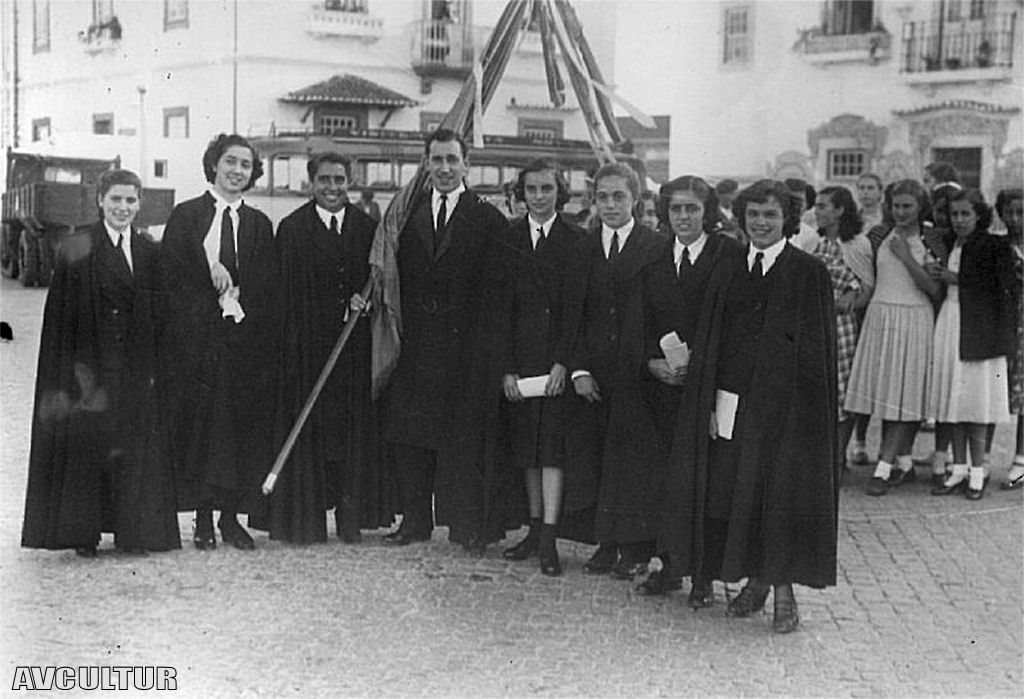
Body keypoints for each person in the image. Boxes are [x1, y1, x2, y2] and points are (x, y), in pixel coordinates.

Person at [659, 179, 838, 634]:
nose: (761, 223)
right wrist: (707, 402)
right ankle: (755, 582)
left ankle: (783, 594)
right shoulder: (729, 267)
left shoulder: (808, 272)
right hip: (731, 404)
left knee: (778, 499)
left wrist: (804, 417)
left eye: (771, 215)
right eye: (753, 214)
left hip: (785, 412)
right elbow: (712, 340)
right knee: (739, 496)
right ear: (741, 219)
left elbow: (816, 353)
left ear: (787, 220)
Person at [22, 169, 179, 556]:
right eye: (116, 200)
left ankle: (132, 532)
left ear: (139, 204)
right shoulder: (79, 246)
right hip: (91, 371)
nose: (123, 208)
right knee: (90, 448)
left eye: (130, 200)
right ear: (100, 201)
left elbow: (160, 315)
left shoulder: (148, 251)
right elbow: (62, 318)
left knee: (132, 449)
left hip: (135, 369)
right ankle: (84, 534)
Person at [249, 152, 390, 544]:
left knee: (351, 434)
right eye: (324, 179)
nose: (332, 187)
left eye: (339, 179)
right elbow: (283, 295)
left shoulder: (367, 229)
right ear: (311, 182)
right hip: (308, 351)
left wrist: (367, 302)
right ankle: (307, 520)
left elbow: (382, 286)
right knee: (311, 433)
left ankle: (350, 518)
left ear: (350, 181)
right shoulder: (292, 229)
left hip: (353, 353)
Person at [378, 128, 508, 550]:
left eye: (453, 159)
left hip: (464, 349)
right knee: (411, 437)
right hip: (416, 346)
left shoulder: (487, 217)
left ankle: (466, 525)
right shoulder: (406, 214)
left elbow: (495, 293)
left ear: (467, 164)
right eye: (437, 159)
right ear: (426, 164)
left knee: (461, 440)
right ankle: (415, 521)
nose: (445, 168)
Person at [160, 134, 280, 550]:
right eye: (230, 161)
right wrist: (207, 269)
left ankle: (231, 518)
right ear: (214, 164)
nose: (236, 171)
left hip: (242, 344)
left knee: (239, 430)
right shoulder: (187, 216)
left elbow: (268, 282)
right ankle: (203, 518)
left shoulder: (259, 224)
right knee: (203, 430)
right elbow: (171, 272)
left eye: (245, 165)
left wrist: (243, 293)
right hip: (197, 343)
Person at [633, 175, 742, 602]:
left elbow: (735, 326)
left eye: (692, 209)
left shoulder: (727, 256)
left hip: (710, 388)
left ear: (706, 212)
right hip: (665, 388)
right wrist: (651, 362)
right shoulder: (656, 257)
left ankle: (704, 578)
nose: (683, 217)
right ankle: (670, 566)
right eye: (676, 208)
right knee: (666, 481)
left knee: (707, 484)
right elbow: (641, 320)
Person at [561, 162, 666, 577]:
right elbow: (572, 315)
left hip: (639, 376)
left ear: (635, 200)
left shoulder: (654, 247)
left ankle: (633, 548)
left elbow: (661, 314)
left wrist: (651, 361)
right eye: (602, 197)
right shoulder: (581, 249)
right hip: (596, 376)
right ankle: (604, 542)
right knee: (598, 459)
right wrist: (578, 370)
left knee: (635, 464)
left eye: (618, 196)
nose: (610, 205)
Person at [496, 159, 584, 576]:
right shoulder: (508, 237)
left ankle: (549, 537)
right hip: (521, 360)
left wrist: (564, 362)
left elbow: (577, 309)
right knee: (527, 451)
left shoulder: (576, 240)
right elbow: (499, 310)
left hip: (555, 362)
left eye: (547, 189)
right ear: (521, 194)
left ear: (559, 193)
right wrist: (507, 368)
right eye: (531, 189)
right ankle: (533, 529)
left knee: (552, 452)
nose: (538, 196)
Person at [844, 180, 943, 495]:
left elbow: (934, 288)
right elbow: (864, 273)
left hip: (914, 318)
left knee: (906, 393)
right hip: (880, 317)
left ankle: (884, 467)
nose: (901, 212)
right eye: (896, 206)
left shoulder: (931, 237)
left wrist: (907, 257)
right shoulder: (878, 235)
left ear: (920, 207)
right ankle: (903, 462)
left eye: (907, 206)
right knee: (887, 393)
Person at [926, 189, 1014, 500]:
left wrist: (957, 279)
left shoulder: (993, 245)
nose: (959, 220)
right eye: (954, 214)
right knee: (954, 402)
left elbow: (1001, 289)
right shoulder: (950, 243)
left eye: (966, 214)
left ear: (979, 215)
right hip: (950, 323)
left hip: (978, 330)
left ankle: (978, 471)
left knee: (975, 403)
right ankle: (958, 467)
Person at [812, 186, 873, 472]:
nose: (817, 211)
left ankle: (838, 456)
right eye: (816, 205)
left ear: (840, 210)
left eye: (823, 206)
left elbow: (867, 287)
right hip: (816, 322)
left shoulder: (857, 244)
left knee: (842, 390)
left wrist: (850, 300)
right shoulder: (816, 242)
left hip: (843, 325)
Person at [994, 188, 1024, 489]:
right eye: (1009, 212)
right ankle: (980, 459)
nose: (1014, 219)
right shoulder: (998, 247)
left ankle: (1021, 460)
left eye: (1021, 213)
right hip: (1006, 322)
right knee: (997, 386)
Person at [784, 178, 821, 253]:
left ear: (807, 205)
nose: (793, 206)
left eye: (797, 202)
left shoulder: (810, 236)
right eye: (788, 200)